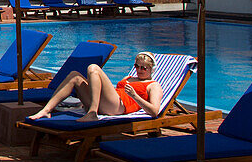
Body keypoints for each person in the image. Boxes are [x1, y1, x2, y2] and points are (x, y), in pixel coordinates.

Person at [28, 52, 162, 122]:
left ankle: (92, 112)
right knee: (75, 76)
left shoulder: (153, 85)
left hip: (118, 107)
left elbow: (154, 111)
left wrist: (135, 96)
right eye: (137, 66)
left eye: (144, 68)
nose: (139, 70)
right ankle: (46, 110)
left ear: (152, 69)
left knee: (93, 68)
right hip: (109, 102)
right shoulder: (128, 78)